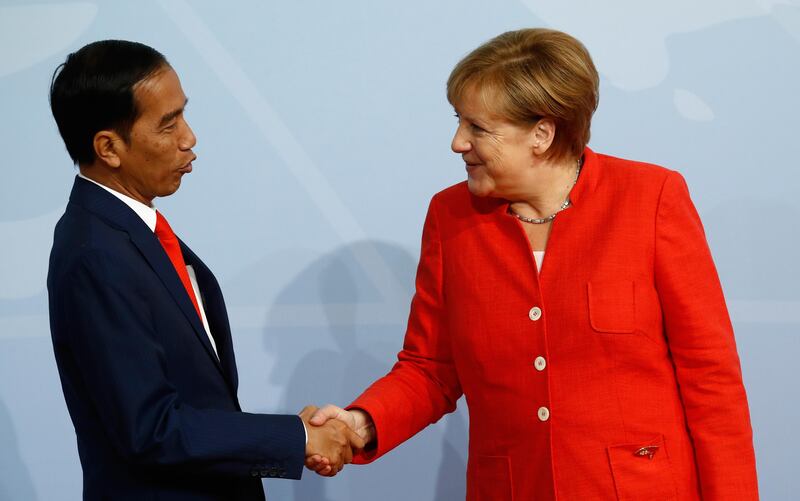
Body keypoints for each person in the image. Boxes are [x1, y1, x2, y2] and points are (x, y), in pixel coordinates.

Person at [306, 28, 759, 500]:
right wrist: (360, 422)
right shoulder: (449, 216)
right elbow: (431, 368)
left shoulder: (651, 198)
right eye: (459, 121)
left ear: (542, 134)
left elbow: (711, 381)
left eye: (477, 128)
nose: (458, 143)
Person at [46, 40, 363, 501]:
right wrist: (296, 438)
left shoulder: (131, 234)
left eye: (183, 115)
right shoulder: (94, 252)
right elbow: (151, 428)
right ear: (109, 147)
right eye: (168, 124)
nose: (188, 137)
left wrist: (294, 434)